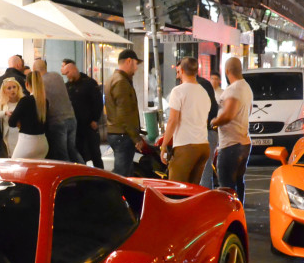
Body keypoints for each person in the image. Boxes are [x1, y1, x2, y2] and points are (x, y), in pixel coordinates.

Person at [158, 57, 211, 184]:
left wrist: (164, 145)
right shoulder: (204, 92)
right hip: (203, 145)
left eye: (177, 72)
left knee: (176, 188)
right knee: (193, 189)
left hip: (186, 145)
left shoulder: (178, 91)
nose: (177, 75)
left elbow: (172, 120)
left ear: (181, 70)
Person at [209, 56, 255, 201]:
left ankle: (230, 216)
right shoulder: (246, 87)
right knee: (238, 182)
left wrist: (213, 122)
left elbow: (228, 115)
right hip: (243, 141)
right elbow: (250, 110)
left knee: (226, 186)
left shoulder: (234, 89)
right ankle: (239, 212)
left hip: (231, 144)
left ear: (227, 71)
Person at [105, 49, 151, 177]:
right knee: (122, 174)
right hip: (122, 135)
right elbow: (124, 113)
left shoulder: (113, 79)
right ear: (129, 61)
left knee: (126, 172)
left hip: (118, 133)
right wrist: (135, 137)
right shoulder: (121, 82)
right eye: (136, 64)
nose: (136, 68)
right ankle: (114, 195)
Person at [33, 57, 80, 163]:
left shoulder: (41, 82)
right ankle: (84, 172)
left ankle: (68, 177)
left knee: (62, 155)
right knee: (73, 151)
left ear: (34, 70)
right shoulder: (57, 76)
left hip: (57, 121)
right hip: (71, 118)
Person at [61, 59, 104, 169]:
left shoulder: (89, 83)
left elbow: (98, 102)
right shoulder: (67, 86)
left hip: (89, 125)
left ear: (74, 70)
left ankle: (101, 177)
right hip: (76, 126)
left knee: (95, 154)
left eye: (68, 73)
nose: (67, 76)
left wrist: (95, 119)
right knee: (80, 154)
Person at [0, 55, 28, 157]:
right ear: (4, 90)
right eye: (9, 88)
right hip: (7, 135)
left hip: (21, 134)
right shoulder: (1, 102)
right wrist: (4, 113)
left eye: (14, 87)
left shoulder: (22, 101)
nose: (12, 90)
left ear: (18, 88)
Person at [7, 71, 49, 159]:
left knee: (16, 167)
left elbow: (11, 122)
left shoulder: (25, 101)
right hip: (43, 143)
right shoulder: (45, 102)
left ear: (26, 84)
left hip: (27, 142)